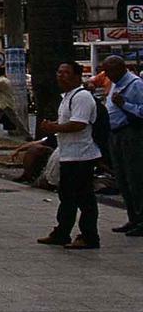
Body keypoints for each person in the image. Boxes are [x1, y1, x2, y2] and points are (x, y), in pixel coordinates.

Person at [37, 61, 101, 249]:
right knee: (67, 197)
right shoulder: (67, 97)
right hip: (68, 155)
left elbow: (78, 124)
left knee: (84, 198)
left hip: (81, 155)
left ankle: (89, 235)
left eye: (66, 73)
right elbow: (68, 121)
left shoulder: (82, 97)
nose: (61, 76)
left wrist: (54, 127)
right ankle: (62, 232)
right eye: (59, 72)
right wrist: (54, 125)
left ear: (76, 76)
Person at [102, 54, 143, 236]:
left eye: (110, 70)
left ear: (121, 68)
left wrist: (124, 104)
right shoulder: (116, 84)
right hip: (115, 134)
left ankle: (141, 219)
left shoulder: (135, 84)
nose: (107, 75)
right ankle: (133, 217)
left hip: (131, 133)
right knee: (123, 178)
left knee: (135, 177)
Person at [0, 65, 24, 135]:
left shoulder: (0, 82)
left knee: (16, 121)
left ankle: (26, 135)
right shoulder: (6, 80)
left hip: (6, 104)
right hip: (4, 103)